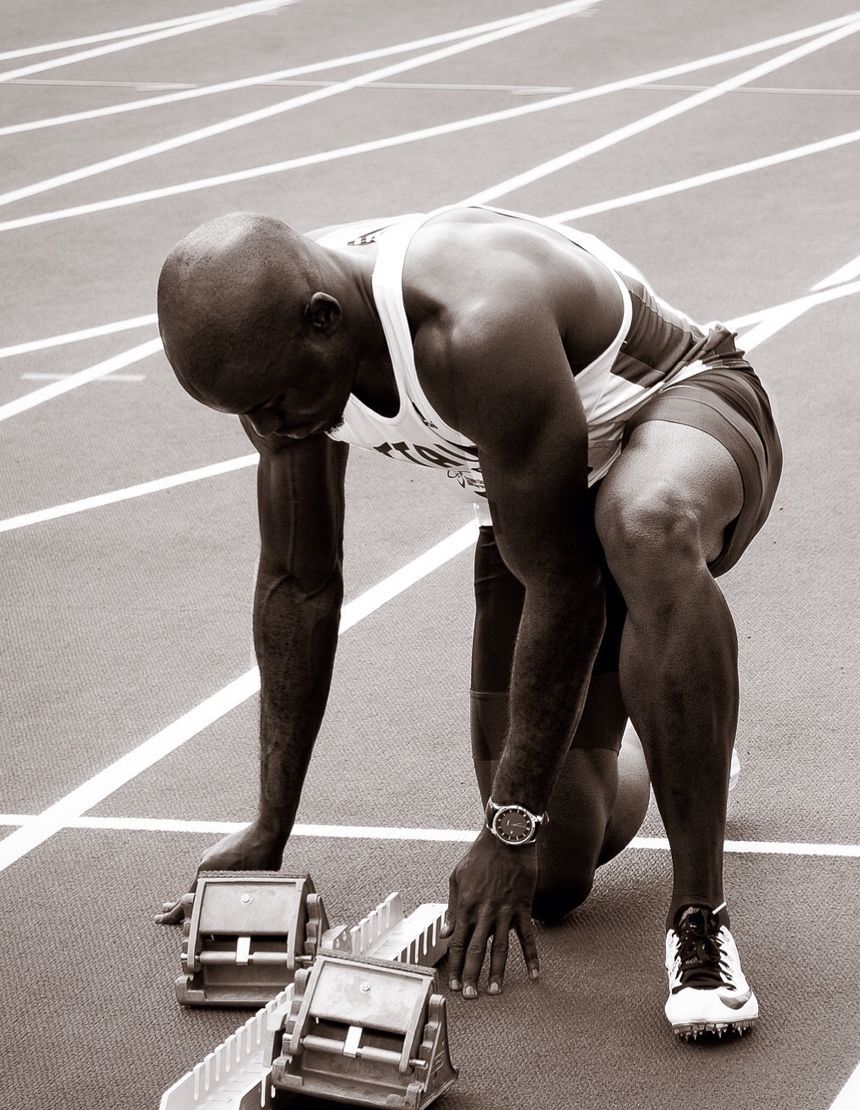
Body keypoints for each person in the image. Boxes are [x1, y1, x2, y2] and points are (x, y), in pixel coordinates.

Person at [153, 204, 782, 1040]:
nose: (269, 430)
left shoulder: (473, 324)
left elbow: (565, 589)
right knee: (556, 878)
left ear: (324, 320)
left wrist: (506, 829)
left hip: (682, 414)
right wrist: (271, 824)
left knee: (643, 523)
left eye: (271, 403)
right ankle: (682, 726)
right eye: (244, 412)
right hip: (537, 500)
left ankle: (699, 918)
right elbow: (300, 585)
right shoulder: (276, 354)